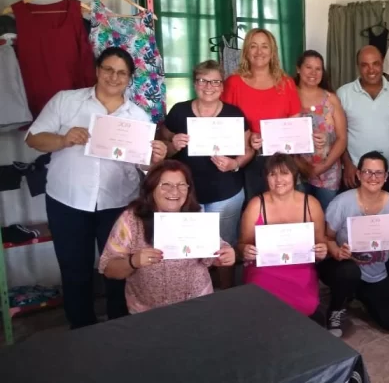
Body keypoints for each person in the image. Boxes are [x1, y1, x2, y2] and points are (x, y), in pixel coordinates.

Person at [24, 47, 167, 329]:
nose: (114, 77)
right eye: (108, 70)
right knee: (75, 270)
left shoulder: (138, 117)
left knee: (118, 269)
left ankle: (117, 328)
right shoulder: (67, 101)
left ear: (130, 79)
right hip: (68, 201)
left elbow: (146, 168)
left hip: (118, 204)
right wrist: (63, 140)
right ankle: (80, 330)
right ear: (97, 70)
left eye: (121, 73)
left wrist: (155, 158)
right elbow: (33, 139)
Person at [98, 160, 236, 313]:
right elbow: (108, 268)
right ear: (151, 188)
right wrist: (133, 261)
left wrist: (224, 253)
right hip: (147, 310)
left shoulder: (195, 215)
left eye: (181, 185)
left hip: (197, 303)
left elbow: (215, 248)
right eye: (166, 185)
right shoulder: (131, 219)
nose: (174, 192)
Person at [161, 60, 252, 289]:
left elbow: (249, 149)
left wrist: (234, 164)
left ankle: (226, 294)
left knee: (223, 249)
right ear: (195, 84)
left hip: (225, 195)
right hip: (184, 197)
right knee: (187, 248)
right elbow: (163, 145)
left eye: (214, 82)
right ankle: (192, 293)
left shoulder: (234, 114)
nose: (208, 86)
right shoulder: (179, 111)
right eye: (202, 80)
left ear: (222, 86)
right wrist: (173, 144)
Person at [337, 45, 389, 290]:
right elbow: (340, 134)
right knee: (356, 223)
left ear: (383, 64)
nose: (371, 70)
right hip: (357, 172)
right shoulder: (344, 93)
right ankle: (355, 273)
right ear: (358, 66)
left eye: (376, 63)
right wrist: (347, 165)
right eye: (365, 64)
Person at [319, 151, 389, 336]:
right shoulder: (342, 202)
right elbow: (326, 237)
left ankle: (359, 294)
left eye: (378, 173)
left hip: (375, 273)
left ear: (386, 177)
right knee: (349, 272)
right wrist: (337, 252)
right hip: (342, 266)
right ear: (359, 174)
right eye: (367, 172)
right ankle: (336, 308)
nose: (373, 177)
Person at [240, 153, 328, 320]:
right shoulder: (256, 205)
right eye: (272, 174)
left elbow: (321, 242)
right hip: (263, 268)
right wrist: (245, 250)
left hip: (299, 266)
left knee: (307, 306)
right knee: (260, 308)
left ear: (294, 175)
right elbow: (242, 244)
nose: (278, 179)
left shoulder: (311, 204)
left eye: (284, 173)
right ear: (266, 178)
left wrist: (321, 251)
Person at [221, 28, 302, 200]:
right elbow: (224, 125)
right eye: (253, 46)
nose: (259, 52)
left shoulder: (286, 83)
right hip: (245, 162)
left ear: (272, 52)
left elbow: (294, 125)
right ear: (246, 51)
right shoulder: (233, 83)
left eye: (264, 46)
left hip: (281, 163)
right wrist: (248, 138)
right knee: (253, 214)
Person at [295, 50, 347, 210]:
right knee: (301, 218)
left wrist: (322, 167)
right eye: (308, 67)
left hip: (328, 172)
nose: (313, 73)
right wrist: (302, 167)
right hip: (296, 171)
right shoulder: (288, 96)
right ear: (298, 69)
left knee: (326, 218)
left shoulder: (331, 99)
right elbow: (280, 137)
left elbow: (342, 138)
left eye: (318, 69)